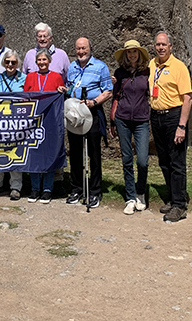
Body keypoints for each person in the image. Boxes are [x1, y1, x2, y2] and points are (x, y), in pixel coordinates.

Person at [60, 38, 112, 209]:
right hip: (74, 112)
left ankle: (95, 191)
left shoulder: (100, 66)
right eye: (78, 49)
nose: (81, 51)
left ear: (90, 49)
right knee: (75, 152)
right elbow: (70, 86)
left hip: (92, 111)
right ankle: (76, 188)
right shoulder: (73, 67)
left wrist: (94, 102)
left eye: (84, 48)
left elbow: (108, 91)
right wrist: (64, 90)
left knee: (94, 154)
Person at [149, 31, 192, 223]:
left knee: (177, 161)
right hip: (156, 117)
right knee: (164, 160)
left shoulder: (179, 67)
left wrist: (181, 126)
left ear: (170, 46)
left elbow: (188, 98)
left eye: (163, 45)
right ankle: (172, 196)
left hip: (173, 117)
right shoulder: (152, 64)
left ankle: (179, 204)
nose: (160, 48)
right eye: (158, 45)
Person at [110, 40, 151, 215]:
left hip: (142, 119)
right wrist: (112, 120)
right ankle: (130, 197)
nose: (132, 55)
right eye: (129, 52)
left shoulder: (147, 72)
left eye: (135, 52)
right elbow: (116, 96)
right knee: (127, 159)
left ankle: (140, 192)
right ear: (125, 55)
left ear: (139, 54)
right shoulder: (119, 73)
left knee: (142, 160)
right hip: (123, 119)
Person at [23, 49, 64, 204]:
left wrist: (62, 90)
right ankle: (34, 188)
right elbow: (24, 98)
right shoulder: (30, 77)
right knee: (34, 153)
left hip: (50, 121)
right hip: (33, 122)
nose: (41, 63)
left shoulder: (56, 76)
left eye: (44, 60)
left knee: (49, 154)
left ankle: (47, 189)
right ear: (36, 62)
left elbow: (61, 95)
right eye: (39, 60)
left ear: (49, 61)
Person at [0, 50, 26, 200]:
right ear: (4, 63)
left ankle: (15, 187)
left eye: (13, 62)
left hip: (16, 121)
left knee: (15, 152)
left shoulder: (24, 78)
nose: (10, 65)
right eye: (8, 62)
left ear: (18, 64)